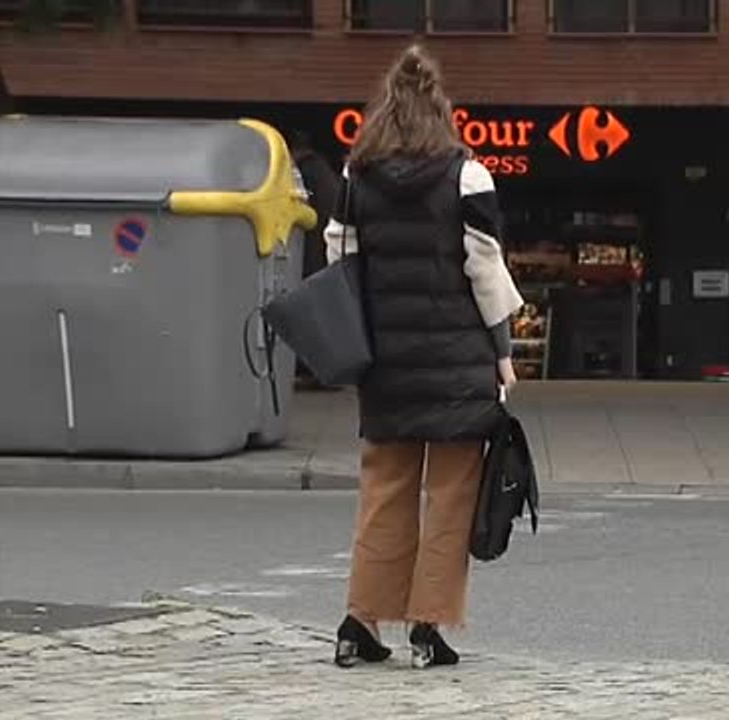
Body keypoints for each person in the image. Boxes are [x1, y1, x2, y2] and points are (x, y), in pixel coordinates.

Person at [325, 43, 523, 669]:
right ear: (443, 110)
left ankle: (359, 623)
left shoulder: (358, 175)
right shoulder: (467, 174)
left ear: (384, 109)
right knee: (451, 493)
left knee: (384, 488)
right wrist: (502, 352)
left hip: (384, 362)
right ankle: (427, 630)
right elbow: (485, 271)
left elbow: (340, 258)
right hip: (457, 361)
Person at [286, 129, 343, 391]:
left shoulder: (308, 172)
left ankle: (319, 372)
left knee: (314, 312)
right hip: (324, 250)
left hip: (314, 251)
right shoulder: (321, 169)